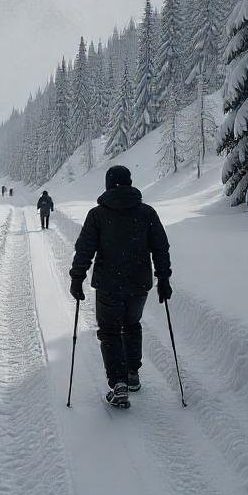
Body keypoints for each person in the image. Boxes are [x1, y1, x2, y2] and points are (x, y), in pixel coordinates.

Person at [68, 165, 171, 408]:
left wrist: (76, 277)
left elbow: (85, 249)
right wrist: (164, 278)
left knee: (111, 331)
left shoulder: (97, 215)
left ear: (108, 184)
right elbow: (161, 248)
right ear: (130, 182)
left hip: (108, 285)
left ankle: (118, 383)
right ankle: (132, 374)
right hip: (139, 284)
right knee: (132, 325)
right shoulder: (147, 213)